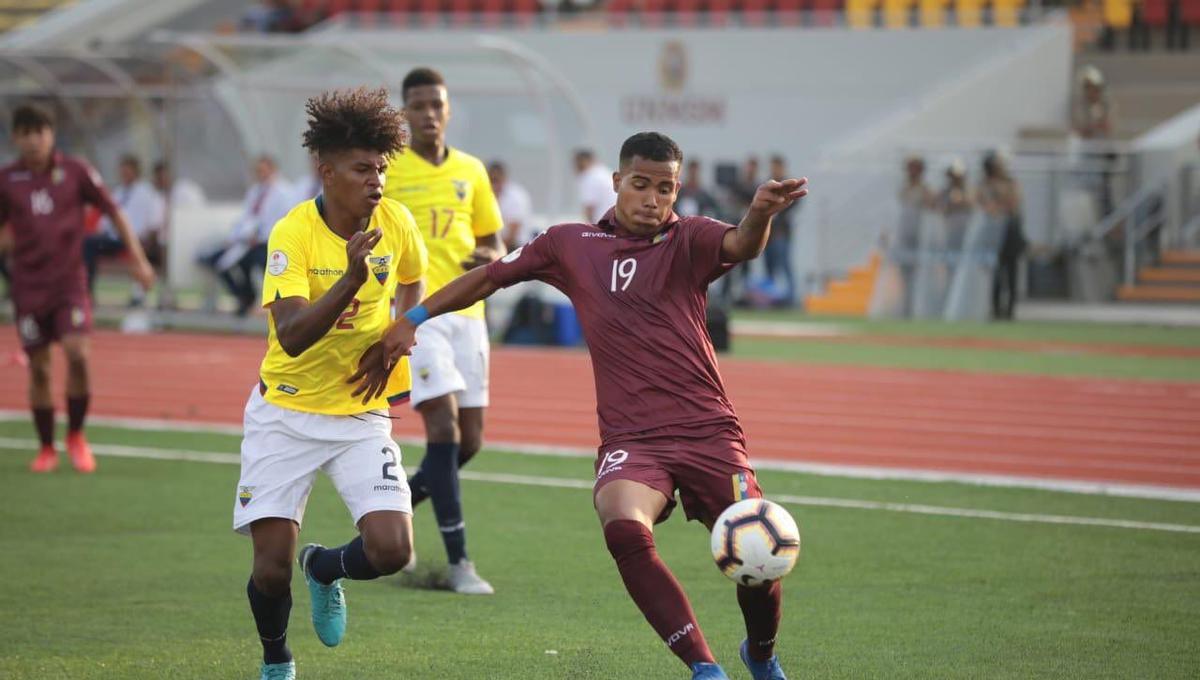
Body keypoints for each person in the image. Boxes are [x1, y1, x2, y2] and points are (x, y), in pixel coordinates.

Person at [364, 132, 808, 680]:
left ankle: (760, 655)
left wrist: (760, 214)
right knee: (623, 527)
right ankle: (704, 668)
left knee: (758, 554)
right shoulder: (570, 243)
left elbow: (742, 245)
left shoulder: (688, 239)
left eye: (665, 188)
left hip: (710, 431)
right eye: (641, 185)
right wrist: (411, 319)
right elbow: (489, 277)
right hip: (633, 440)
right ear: (617, 181)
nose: (652, 199)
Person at [233, 87, 427, 680]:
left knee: (394, 550)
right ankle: (277, 660)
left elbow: (414, 281)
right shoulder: (292, 233)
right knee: (269, 570)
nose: (377, 181)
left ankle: (325, 569)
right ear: (327, 171)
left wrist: (403, 325)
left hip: (359, 414)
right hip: (285, 413)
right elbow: (290, 334)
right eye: (363, 169)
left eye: (382, 169)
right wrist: (350, 278)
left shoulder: (396, 221)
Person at [383, 67, 505, 595]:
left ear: (448, 110)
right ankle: (459, 564)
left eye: (436, 104)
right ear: (404, 114)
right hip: (419, 314)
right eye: (418, 106)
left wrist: (492, 256)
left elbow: (494, 240)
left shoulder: (472, 171)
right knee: (444, 431)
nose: (429, 114)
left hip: (470, 316)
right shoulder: (389, 173)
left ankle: (395, 508)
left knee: (470, 442)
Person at [0, 103, 155, 473]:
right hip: (28, 288)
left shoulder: (75, 172)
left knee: (78, 355)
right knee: (38, 369)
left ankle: (76, 435)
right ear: (15, 138)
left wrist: (138, 259)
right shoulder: (7, 180)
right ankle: (46, 447)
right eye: (26, 133)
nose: (34, 140)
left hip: (69, 284)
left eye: (40, 131)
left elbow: (114, 211)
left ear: (52, 135)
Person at [199, 155, 294, 315]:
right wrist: (234, 237)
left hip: (268, 242)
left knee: (258, 262)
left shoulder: (284, 192)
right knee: (221, 262)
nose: (261, 174)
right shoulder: (255, 191)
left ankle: (272, 303)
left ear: (273, 170)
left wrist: (260, 236)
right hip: (246, 242)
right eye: (258, 171)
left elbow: (284, 220)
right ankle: (245, 297)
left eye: (264, 171)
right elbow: (245, 218)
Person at [83, 154, 164, 304]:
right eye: (122, 170)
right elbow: (105, 221)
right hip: (115, 239)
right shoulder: (118, 192)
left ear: (136, 171)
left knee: (91, 243)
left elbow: (154, 223)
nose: (124, 174)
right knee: (87, 243)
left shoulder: (147, 193)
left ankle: (138, 296)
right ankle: (86, 294)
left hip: (137, 240)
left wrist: (144, 242)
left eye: (128, 170)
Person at [978, 151, 1025, 320]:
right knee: (995, 274)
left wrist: (998, 205)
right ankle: (996, 309)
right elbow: (983, 204)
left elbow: (1013, 204)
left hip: (1010, 234)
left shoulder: (1010, 183)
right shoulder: (985, 184)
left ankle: (1010, 310)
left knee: (1012, 274)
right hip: (992, 235)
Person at [761, 155, 797, 306]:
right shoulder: (768, 184)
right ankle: (771, 298)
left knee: (784, 265)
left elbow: (795, 203)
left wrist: (780, 211)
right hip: (768, 234)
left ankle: (791, 298)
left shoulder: (788, 185)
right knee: (769, 266)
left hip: (781, 234)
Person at [489, 160, 534, 250]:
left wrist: (494, 251)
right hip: (497, 246)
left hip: (517, 248)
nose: (493, 185)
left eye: (496, 180)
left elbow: (513, 233)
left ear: (504, 178)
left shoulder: (515, 196)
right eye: (491, 180)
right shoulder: (487, 195)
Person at [575, 147, 617, 223]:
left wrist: (589, 228)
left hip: (602, 223)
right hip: (614, 220)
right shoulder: (603, 172)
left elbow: (589, 207)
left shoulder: (590, 176)